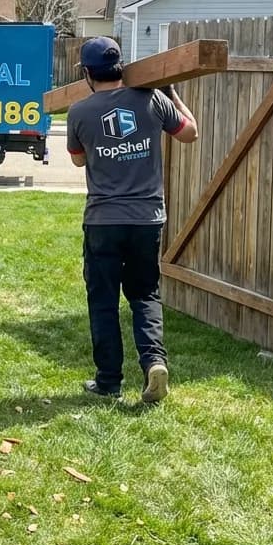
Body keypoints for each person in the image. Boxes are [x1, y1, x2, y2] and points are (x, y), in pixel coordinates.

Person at [65, 36, 198, 403]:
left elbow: (78, 160)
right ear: (120, 66)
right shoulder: (152, 100)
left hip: (103, 221)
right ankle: (154, 362)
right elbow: (191, 132)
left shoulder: (79, 112)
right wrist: (171, 93)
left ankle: (108, 381)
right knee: (144, 294)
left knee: (103, 299)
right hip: (147, 219)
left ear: (88, 73)